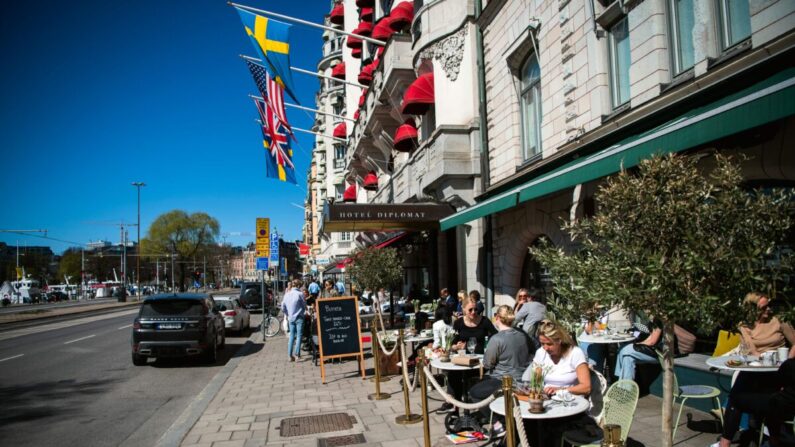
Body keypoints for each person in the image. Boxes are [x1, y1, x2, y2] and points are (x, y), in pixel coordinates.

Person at [713, 293, 795, 447]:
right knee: (735, 399)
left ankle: (773, 440)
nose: (769, 310)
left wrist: (788, 364)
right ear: (752, 309)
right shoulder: (744, 324)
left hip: (775, 373)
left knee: (768, 402)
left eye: (769, 305)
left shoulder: (779, 321)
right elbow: (750, 350)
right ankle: (725, 443)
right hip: (753, 370)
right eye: (764, 307)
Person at [521, 319, 592, 447]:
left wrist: (560, 390)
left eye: (549, 344)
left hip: (571, 404)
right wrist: (534, 391)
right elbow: (536, 382)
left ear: (559, 340)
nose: (545, 348)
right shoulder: (541, 353)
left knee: (549, 427)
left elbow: (586, 387)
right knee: (526, 422)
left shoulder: (575, 353)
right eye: (542, 343)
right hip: (548, 401)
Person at [469, 306, 532, 428]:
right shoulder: (522, 335)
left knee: (474, 393)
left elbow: (487, 364)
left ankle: (498, 424)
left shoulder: (497, 339)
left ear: (497, 318)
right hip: (522, 378)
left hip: (503, 380)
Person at [443, 295, 497, 412]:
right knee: (453, 373)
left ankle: (467, 403)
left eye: (475, 309)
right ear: (463, 310)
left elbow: (496, 336)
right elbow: (452, 343)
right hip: (463, 357)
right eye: (470, 310)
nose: (473, 312)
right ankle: (452, 402)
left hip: (480, 360)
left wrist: (489, 347)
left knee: (469, 375)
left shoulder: (484, 321)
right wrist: (455, 346)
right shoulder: (459, 323)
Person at [614, 312, 663, 380]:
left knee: (624, 349)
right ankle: (625, 385)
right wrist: (639, 343)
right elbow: (650, 337)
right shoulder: (651, 318)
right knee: (627, 357)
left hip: (659, 353)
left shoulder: (659, 319)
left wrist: (637, 344)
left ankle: (620, 379)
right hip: (648, 345)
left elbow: (652, 341)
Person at [281, 279, 306, 362]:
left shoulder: (287, 294)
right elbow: (304, 305)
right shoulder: (300, 294)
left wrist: (288, 313)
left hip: (290, 318)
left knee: (291, 336)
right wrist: (302, 311)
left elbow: (283, 307)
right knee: (299, 336)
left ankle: (289, 356)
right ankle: (297, 355)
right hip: (299, 317)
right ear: (298, 286)